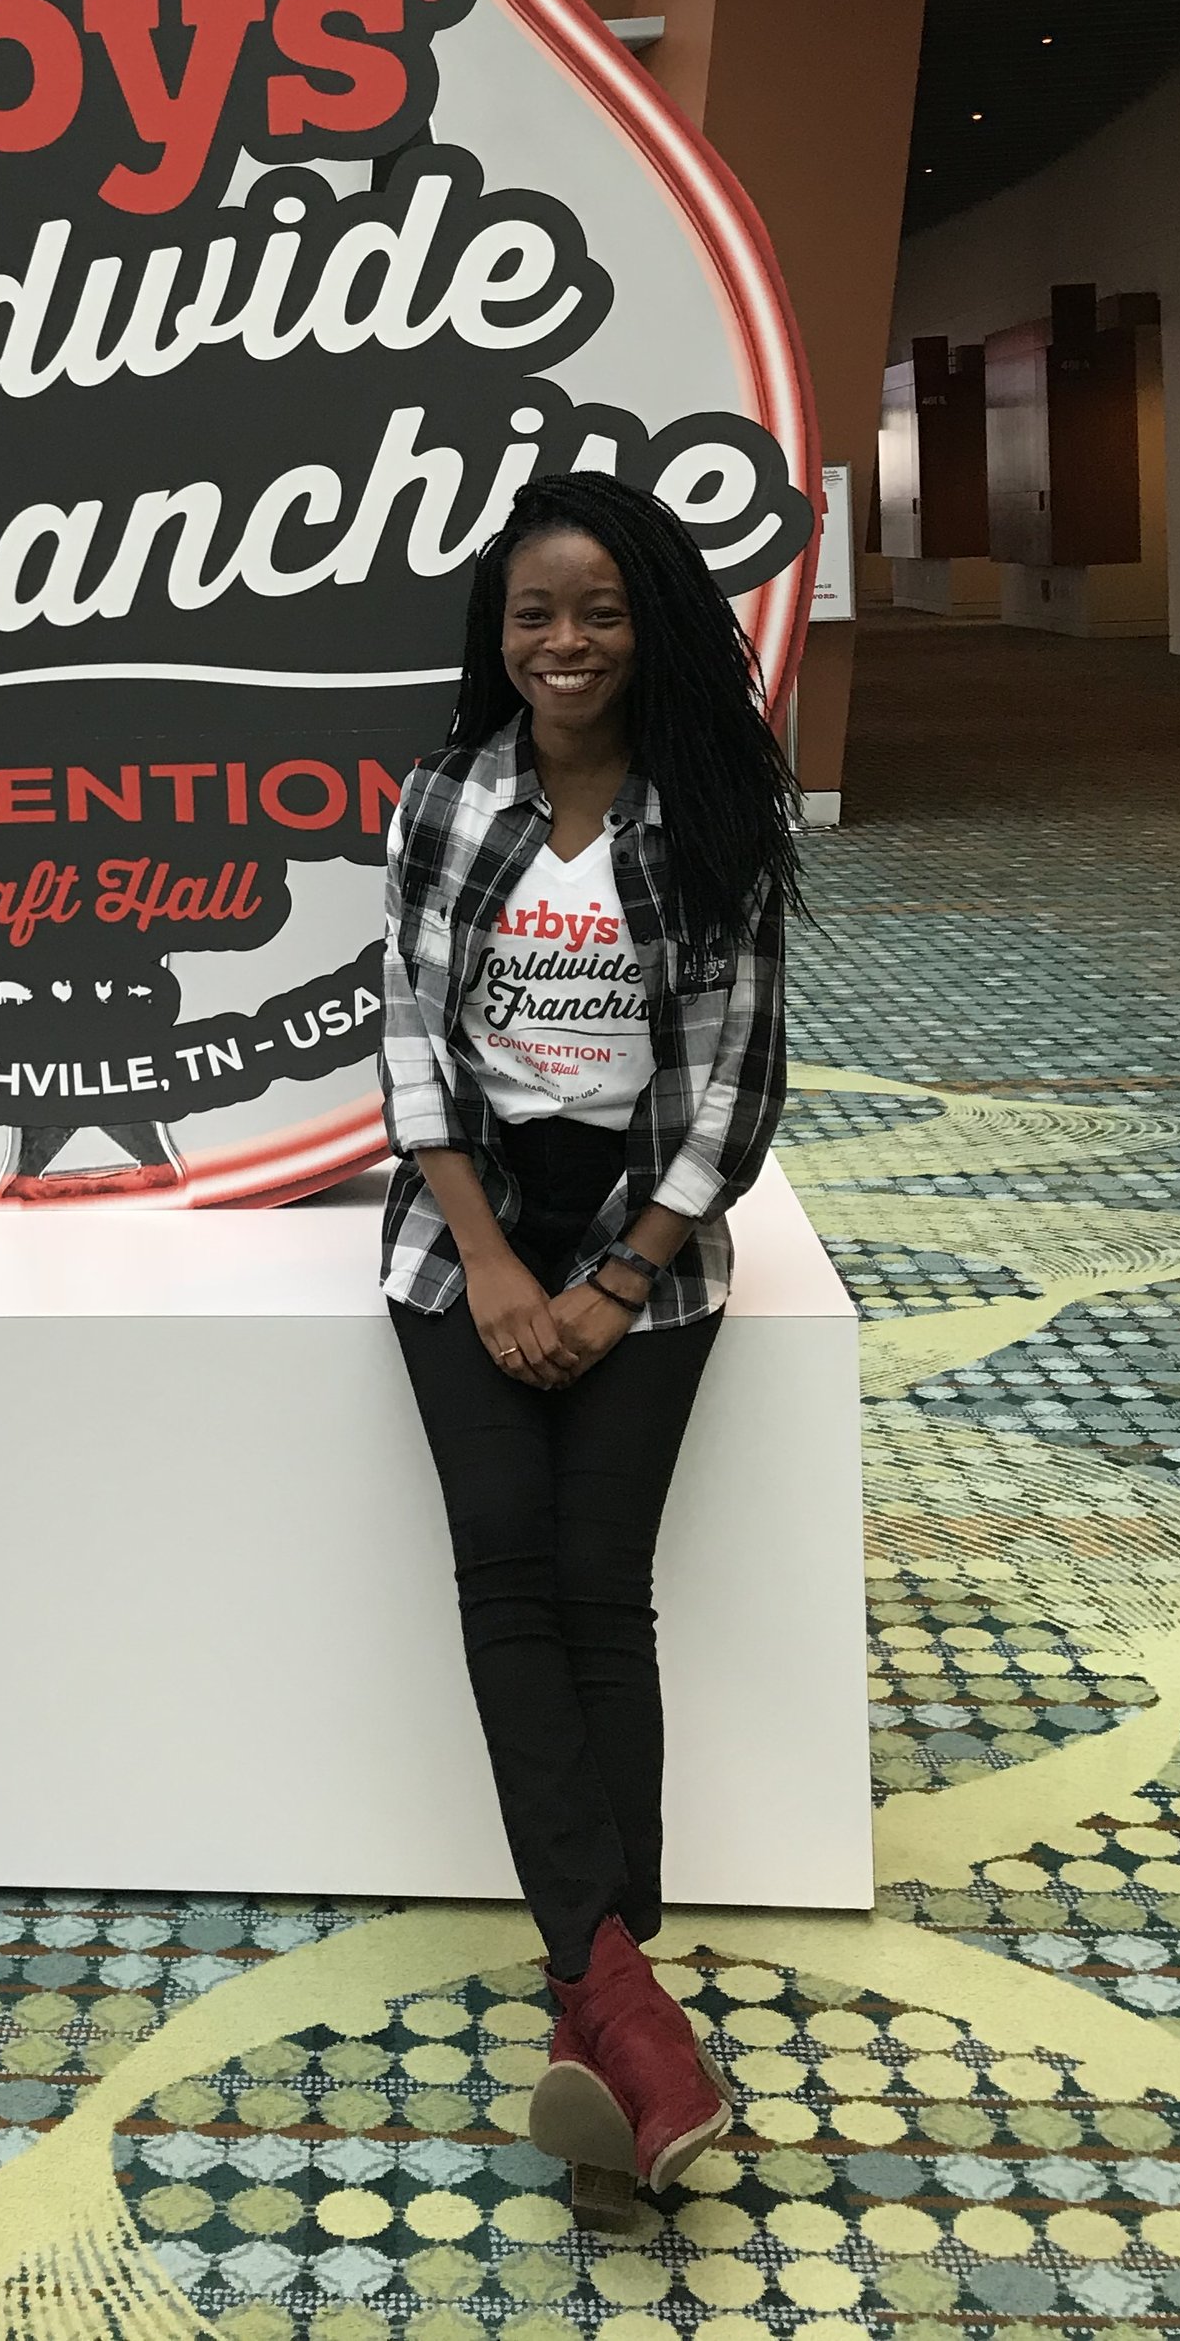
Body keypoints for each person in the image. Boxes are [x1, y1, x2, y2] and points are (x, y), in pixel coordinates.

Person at [378, 468, 801, 2197]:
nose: (567, 641)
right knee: (505, 1563)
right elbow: (409, 1038)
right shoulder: (446, 796)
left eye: (602, 611)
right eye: (535, 612)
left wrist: (617, 1279)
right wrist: (490, 1262)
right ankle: (627, 2012)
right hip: (464, 1228)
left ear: (655, 627)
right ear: (498, 631)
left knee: (597, 1582)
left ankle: (598, 2007)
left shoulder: (709, 811)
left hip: (654, 1237)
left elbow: (735, 1088)